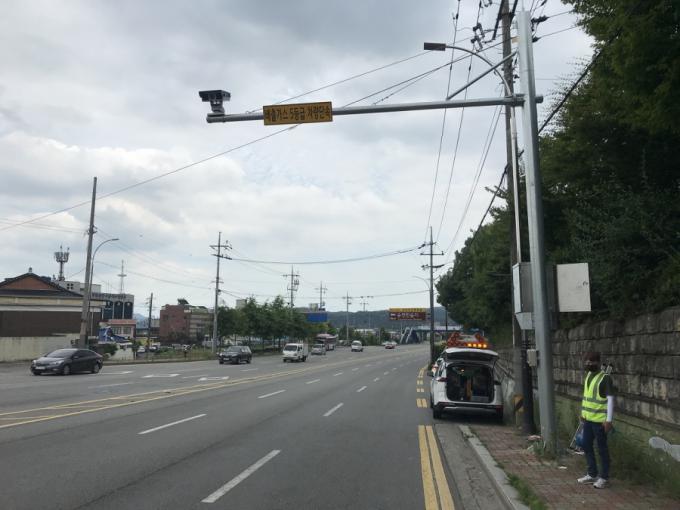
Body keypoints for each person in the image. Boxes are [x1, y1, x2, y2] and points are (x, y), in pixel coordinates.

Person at [577, 351, 615, 489]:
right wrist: (583, 413)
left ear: (598, 362)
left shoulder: (605, 378)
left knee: (602, 449)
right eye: (586, 361)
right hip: (588, 419)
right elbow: (587, 397)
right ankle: (592, 474)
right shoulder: (588, 376)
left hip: (600, 422)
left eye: (591, 361)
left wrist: (608, 420)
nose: (588, 363)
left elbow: (610, 400)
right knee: (586, 445)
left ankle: (604, 477)